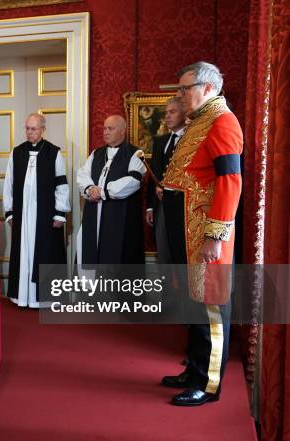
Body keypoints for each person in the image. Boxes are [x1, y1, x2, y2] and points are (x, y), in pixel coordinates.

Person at [160, 62, 242, 406]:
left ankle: (208, 385)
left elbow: (230, 181)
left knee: (210, 308)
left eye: (184, 88)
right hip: (184, 228)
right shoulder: (198, 121)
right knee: (192, 305)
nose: (180, 96)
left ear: (207, 88)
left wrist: (214, 236)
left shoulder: (223, 121)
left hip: (205, 233)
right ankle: (193, 368)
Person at [3, 113, 70, 308]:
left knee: (45, 252)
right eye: (27, 128)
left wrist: (60, 212)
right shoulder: (17, 152)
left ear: (42, 129)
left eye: (34, 129)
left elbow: (61, 184)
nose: (29, 132)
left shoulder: (53, 153)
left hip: (46, 215)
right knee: (23, 253)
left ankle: (45, 299)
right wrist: (10, 212)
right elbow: (9, 184)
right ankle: (22, 297)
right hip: (23, 215)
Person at [76, 115, 146, 264]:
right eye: (104, 128)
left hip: (120, 217)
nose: (105, 132)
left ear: (122, 131)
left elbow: (133, 181)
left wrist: (102, 192)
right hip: (94, 214)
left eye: (110, 128)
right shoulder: (96, 153)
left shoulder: (135, 154)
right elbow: (83, 174)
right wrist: (90, 189)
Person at [146, 98, 187, 264]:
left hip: (182, 206)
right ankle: (167, 290)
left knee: (181, 254)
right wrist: (150, 206)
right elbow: (152, 174)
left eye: (172, 112)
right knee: (164, 254)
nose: (167, 117)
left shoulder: (191, 140)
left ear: (184, 114)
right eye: (166, 113)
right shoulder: (160, 141)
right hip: (160, 205)